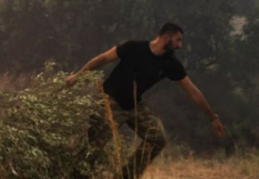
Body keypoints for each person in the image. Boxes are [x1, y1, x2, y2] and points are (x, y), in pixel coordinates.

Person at [65, 22, 224, 178]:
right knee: (93, 148)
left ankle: (126, 176)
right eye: (178, 40)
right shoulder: (133, 48)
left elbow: (193, 91)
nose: (180, 46)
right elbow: (103, 59)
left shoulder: (171, 63)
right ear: (165, 38)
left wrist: (213, 117)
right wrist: (78, 76)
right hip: (109, 102)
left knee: (157, 139)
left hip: (134, 106)